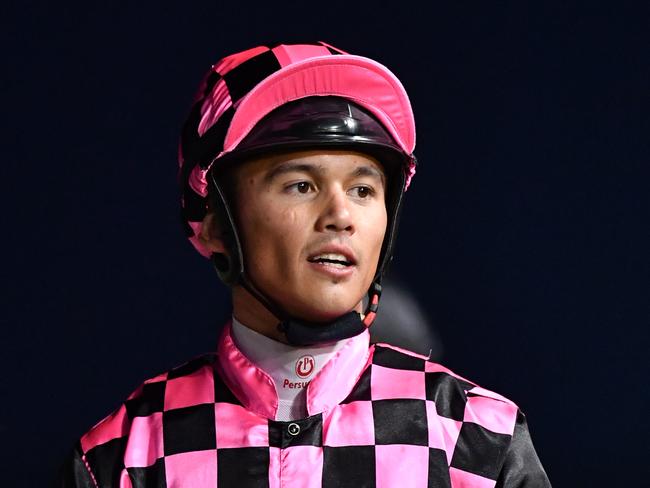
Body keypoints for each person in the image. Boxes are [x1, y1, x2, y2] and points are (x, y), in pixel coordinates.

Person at [55, 41, 551, 487]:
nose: (340, 216)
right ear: (213, 224)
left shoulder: (480, 441)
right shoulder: (122, 456)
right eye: (301, 185)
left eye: (363, 189)